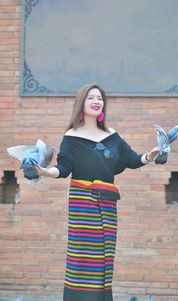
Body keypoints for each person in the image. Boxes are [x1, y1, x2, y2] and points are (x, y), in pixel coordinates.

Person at [35, 83, 159, 301]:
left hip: (108, 202)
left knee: (104, 257)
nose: (96, 101)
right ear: (82, 103)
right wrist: (45, 171)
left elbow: (131, 160)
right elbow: (64, 168)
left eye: (100, 98)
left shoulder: (112, 135)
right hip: (82, 203)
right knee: (82, 257)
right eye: (91, 97)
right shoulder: (72, 136)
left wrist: (149, 156)